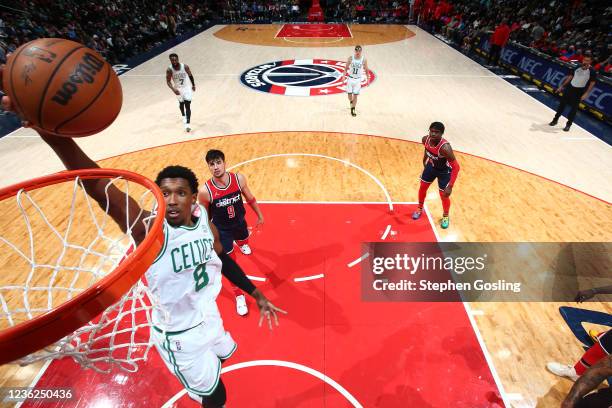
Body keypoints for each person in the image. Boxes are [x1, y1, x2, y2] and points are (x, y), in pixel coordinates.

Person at [0, 94, 285, 408]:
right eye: (165, 193)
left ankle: (206, 376)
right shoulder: (148, 228)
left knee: (224, 359)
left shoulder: (204, 219)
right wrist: (50, 133)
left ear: (195, 198)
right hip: (179, 333)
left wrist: (254, 292)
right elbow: (100, 188)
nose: (172, 200)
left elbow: (221, 257)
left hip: (208, 314)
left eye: (180, 193)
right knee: (216, 397)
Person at [199, 149, 264, 316]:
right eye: (211, 164)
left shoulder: (238, 179)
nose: (215, 167)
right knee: (230, 265)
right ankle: (239, 295)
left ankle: (241, 244)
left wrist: (259, 214)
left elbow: (250, 197)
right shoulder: (205, 191)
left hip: (240, 223)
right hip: (222, 231)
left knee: (244, 241)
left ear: (224, 162)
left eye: (218, 162)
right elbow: (205, 216)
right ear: (208, 167)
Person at [411, 122, 460, 229]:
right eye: (431, 131)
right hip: (431, 167)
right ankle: (419, 208)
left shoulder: (445, 148)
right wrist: (424, 160)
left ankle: (446, 216)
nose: (433, 134)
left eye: (436, 132)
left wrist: (450, 186)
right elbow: (427, 149)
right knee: (422, 188)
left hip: (444, 172)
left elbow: (456, 167)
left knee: (444, 196)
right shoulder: (425, 139)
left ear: (442, 134)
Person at [549, 53, 597, 131]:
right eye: (584, 60)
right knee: (562, 105)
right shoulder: (577, 67)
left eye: (587, 60)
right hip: (570, 88)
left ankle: (568, 125)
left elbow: (592, 83)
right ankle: (555, 120)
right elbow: (570, 77)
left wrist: (586, 94)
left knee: (573, 109)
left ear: (590, 61)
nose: (585, 61)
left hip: (579, 91)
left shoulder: (592, 71)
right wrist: (562, 86)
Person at [166, 53, 195, 132]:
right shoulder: (169, 70)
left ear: (178, 59)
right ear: (170, 60)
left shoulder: (184, 66)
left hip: (186, 88)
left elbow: (190, 75)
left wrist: (193, 85)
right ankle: (183, 115)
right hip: (178, 89)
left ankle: (187, 124)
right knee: (181, 103)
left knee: (187, 105)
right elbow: (168, 82)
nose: (174, 61)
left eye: (175, 59)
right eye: (172, 60)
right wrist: (173, 89)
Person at [343, 45, 369, 117]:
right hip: (350, 78)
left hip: (358, 80)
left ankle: (353, 109)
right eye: (356, 51)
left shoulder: (364, 60)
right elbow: (346, 68)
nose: (358, 52)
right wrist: (343, 77)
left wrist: (368, 79)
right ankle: (351, 102)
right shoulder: (351, 58)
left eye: (359, 51)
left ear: (361, 51)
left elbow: (366, 70)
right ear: (355, 51)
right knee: (349, 95)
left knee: (355, 95)